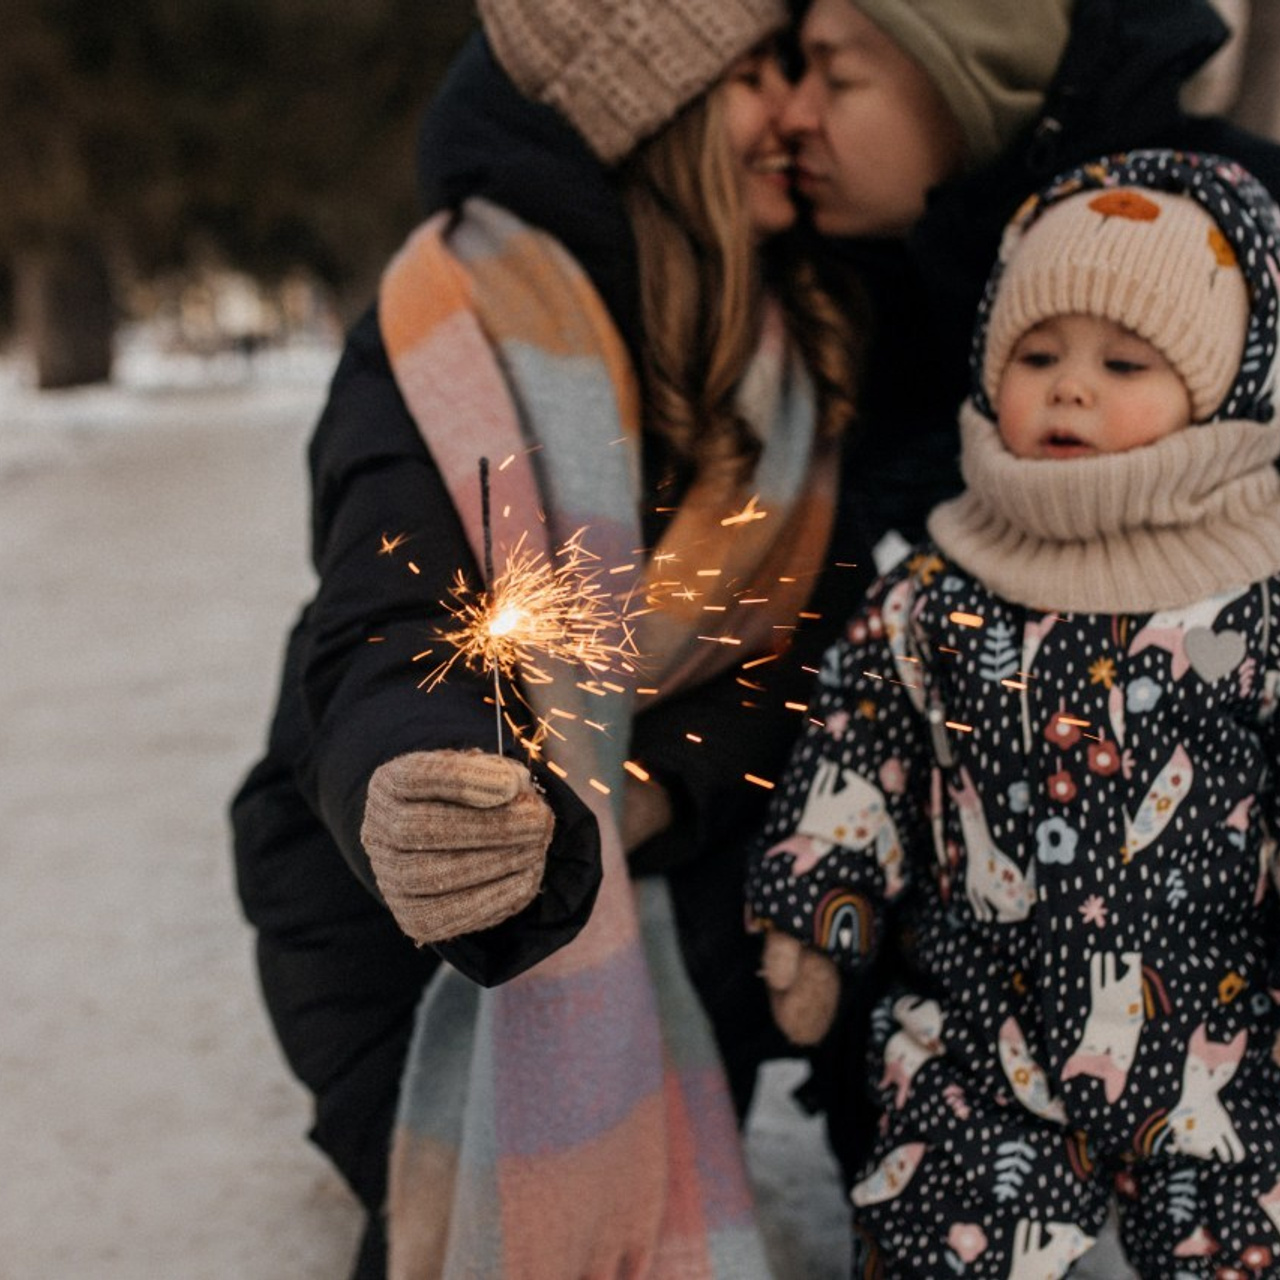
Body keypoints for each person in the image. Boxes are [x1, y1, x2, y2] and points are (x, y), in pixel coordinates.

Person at [230, 0, 872, 1275]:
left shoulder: (795, 349)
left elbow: (784, 670)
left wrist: (642, 794)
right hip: (391, 920)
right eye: (757, 75)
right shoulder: (444, 317)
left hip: (666, 885)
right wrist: (428, 786)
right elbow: (390, 612)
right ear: (655, 106)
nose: (798, 114)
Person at [747, 148, 1280, 1276]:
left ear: (1227, 387)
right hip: (984, 1030)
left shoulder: (1255, 596)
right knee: (936, 1223)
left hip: (1219, 1042)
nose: (1070, 387)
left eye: (1123, 361)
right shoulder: (939, 589)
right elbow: (859, 746)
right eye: (1037, 355)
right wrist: (814, 909)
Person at [776, 0, 1280, 561]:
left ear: (976, 76)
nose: (793, 116)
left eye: (838, 78)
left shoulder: (1244, 232)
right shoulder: (819, 276)